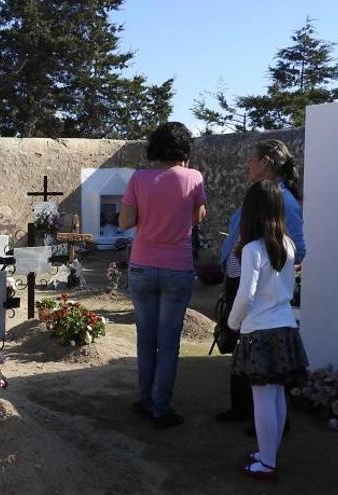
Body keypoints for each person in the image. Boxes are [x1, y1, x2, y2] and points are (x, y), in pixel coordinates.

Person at [120, 122, 207, 428]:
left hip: (143, 264)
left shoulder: (139, 178)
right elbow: (197, 217)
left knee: (146, 339)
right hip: (177, 267)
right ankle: (160, 407)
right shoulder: (193, 177)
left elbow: (125, 222)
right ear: (184, 148)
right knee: (168, 342)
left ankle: (144, 400)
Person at [216, 140, 305, 428]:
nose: (247, 166)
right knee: (243, 350)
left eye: (251, 160)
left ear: (265, 162)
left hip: (255, 289)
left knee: (261, 359)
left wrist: (264, 267)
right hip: (241, 280)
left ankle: (265, 423)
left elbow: (296, 248)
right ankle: (243, 409)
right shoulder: (262, 195)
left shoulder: (282, 201)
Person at [228, 180, 309, 481]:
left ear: (250, 211)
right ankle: (268, 454)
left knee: (262, 397)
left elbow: (245, 295)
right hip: (286, 326)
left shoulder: (252, 248)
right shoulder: (287, 245)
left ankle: (267, 463)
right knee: (276, 395)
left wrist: (232, 323)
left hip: (260, 331)